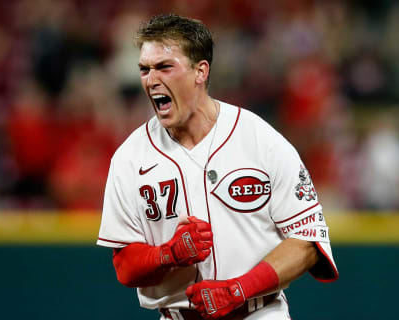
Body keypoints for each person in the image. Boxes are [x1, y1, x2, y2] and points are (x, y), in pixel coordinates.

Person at [97, 14, 338, 320]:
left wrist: (237, 289)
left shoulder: (259, 139)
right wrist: (169, 253)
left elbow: (307, 241)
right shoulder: (130, 157)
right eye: (144, 69)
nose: (150, 79)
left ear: (201, 71)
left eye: (164, 67)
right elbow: (125, 267)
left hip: (258, 313)